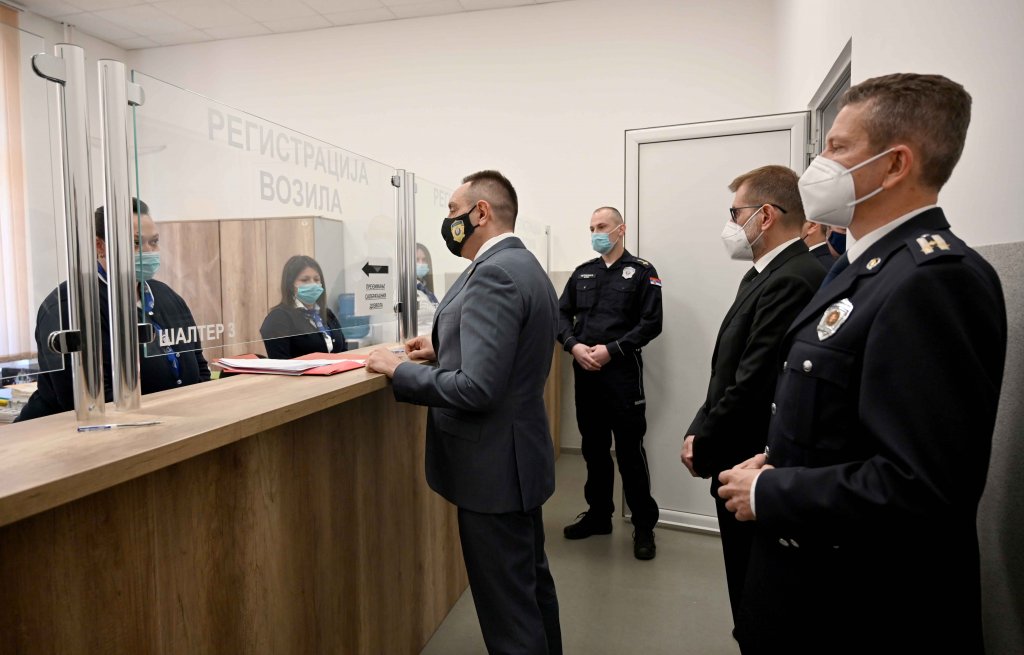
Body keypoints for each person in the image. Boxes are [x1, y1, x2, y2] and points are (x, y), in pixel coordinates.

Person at [717, 73, 1007, 654]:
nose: (817, 165)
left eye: (838, 146)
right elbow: (847, 417)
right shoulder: (859, 267)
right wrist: (782, 457)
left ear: (895, 164)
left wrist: (774, 491)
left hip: (863, 606)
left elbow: (922, 486)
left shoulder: (933, 281)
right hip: (805, 580)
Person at [365, 170, 562, 655]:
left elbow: (478, 388)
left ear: (482, 212)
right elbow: (508, 349)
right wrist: (446, 347)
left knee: (509, 616)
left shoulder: (494, 272)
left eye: (453, 210)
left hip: (493, 468)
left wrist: (399, 371)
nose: (449, 220)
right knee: (531, 591)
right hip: (518, 459)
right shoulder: (524, 265)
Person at [680, 165, 824, 635]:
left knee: (755, 603)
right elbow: (728, 367)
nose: (730, 224)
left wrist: (704, 443)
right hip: (734, 450)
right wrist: (699, 426)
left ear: (764, 216)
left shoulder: (794, 278)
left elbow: (754, 382)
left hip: (752, 462)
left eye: (734, 213)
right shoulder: (765, 273)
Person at [17, 198, 210, 421]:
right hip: (69, 433)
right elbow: (87, 400)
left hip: (169, 423)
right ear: (100, 246)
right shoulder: (70, 306)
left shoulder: (166, 295)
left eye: (154, 242)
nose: (148, 251)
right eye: (135, 243)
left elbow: (200, 368)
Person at [558, 206, 662, 560]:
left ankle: (644, 526)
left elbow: (651, 323)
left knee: (630, 451)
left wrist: (612, 350)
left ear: (621, 229)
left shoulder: (642, 272)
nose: (596, 233)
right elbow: (561, 314)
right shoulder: (582, 273)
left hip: (621, 375)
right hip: (586, 374)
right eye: (591, 228)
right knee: (594, 449)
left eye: (602, 226)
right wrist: (573, 346)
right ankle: (599, 515)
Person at [260, 255, 347, 358]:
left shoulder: (327, 313)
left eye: (316, 279)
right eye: (305, 280)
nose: (313, 284)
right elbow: (280, 363)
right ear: (290, 285)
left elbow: (344, 351)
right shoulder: (278, 317)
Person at [415, 242, 439, 335]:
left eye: (424, 260)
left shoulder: (426, 289)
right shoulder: (405, 290)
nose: (421, 263)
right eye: (417, 260)